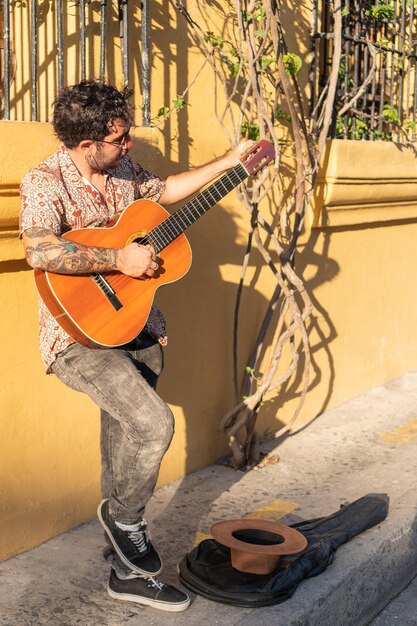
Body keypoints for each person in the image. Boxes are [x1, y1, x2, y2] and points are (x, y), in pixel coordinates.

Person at [19, 80, 251, 612]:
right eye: (120, 140)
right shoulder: (44, 180)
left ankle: (125, 573)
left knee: (124, 437)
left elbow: (163, 193)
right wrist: (117, 260)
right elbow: (40, 251)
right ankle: (126, 522)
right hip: (75, 336)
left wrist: (230, 164)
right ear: (86, 144)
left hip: (135, 326)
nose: (130, 147)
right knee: (153, 425)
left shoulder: (123, 170)